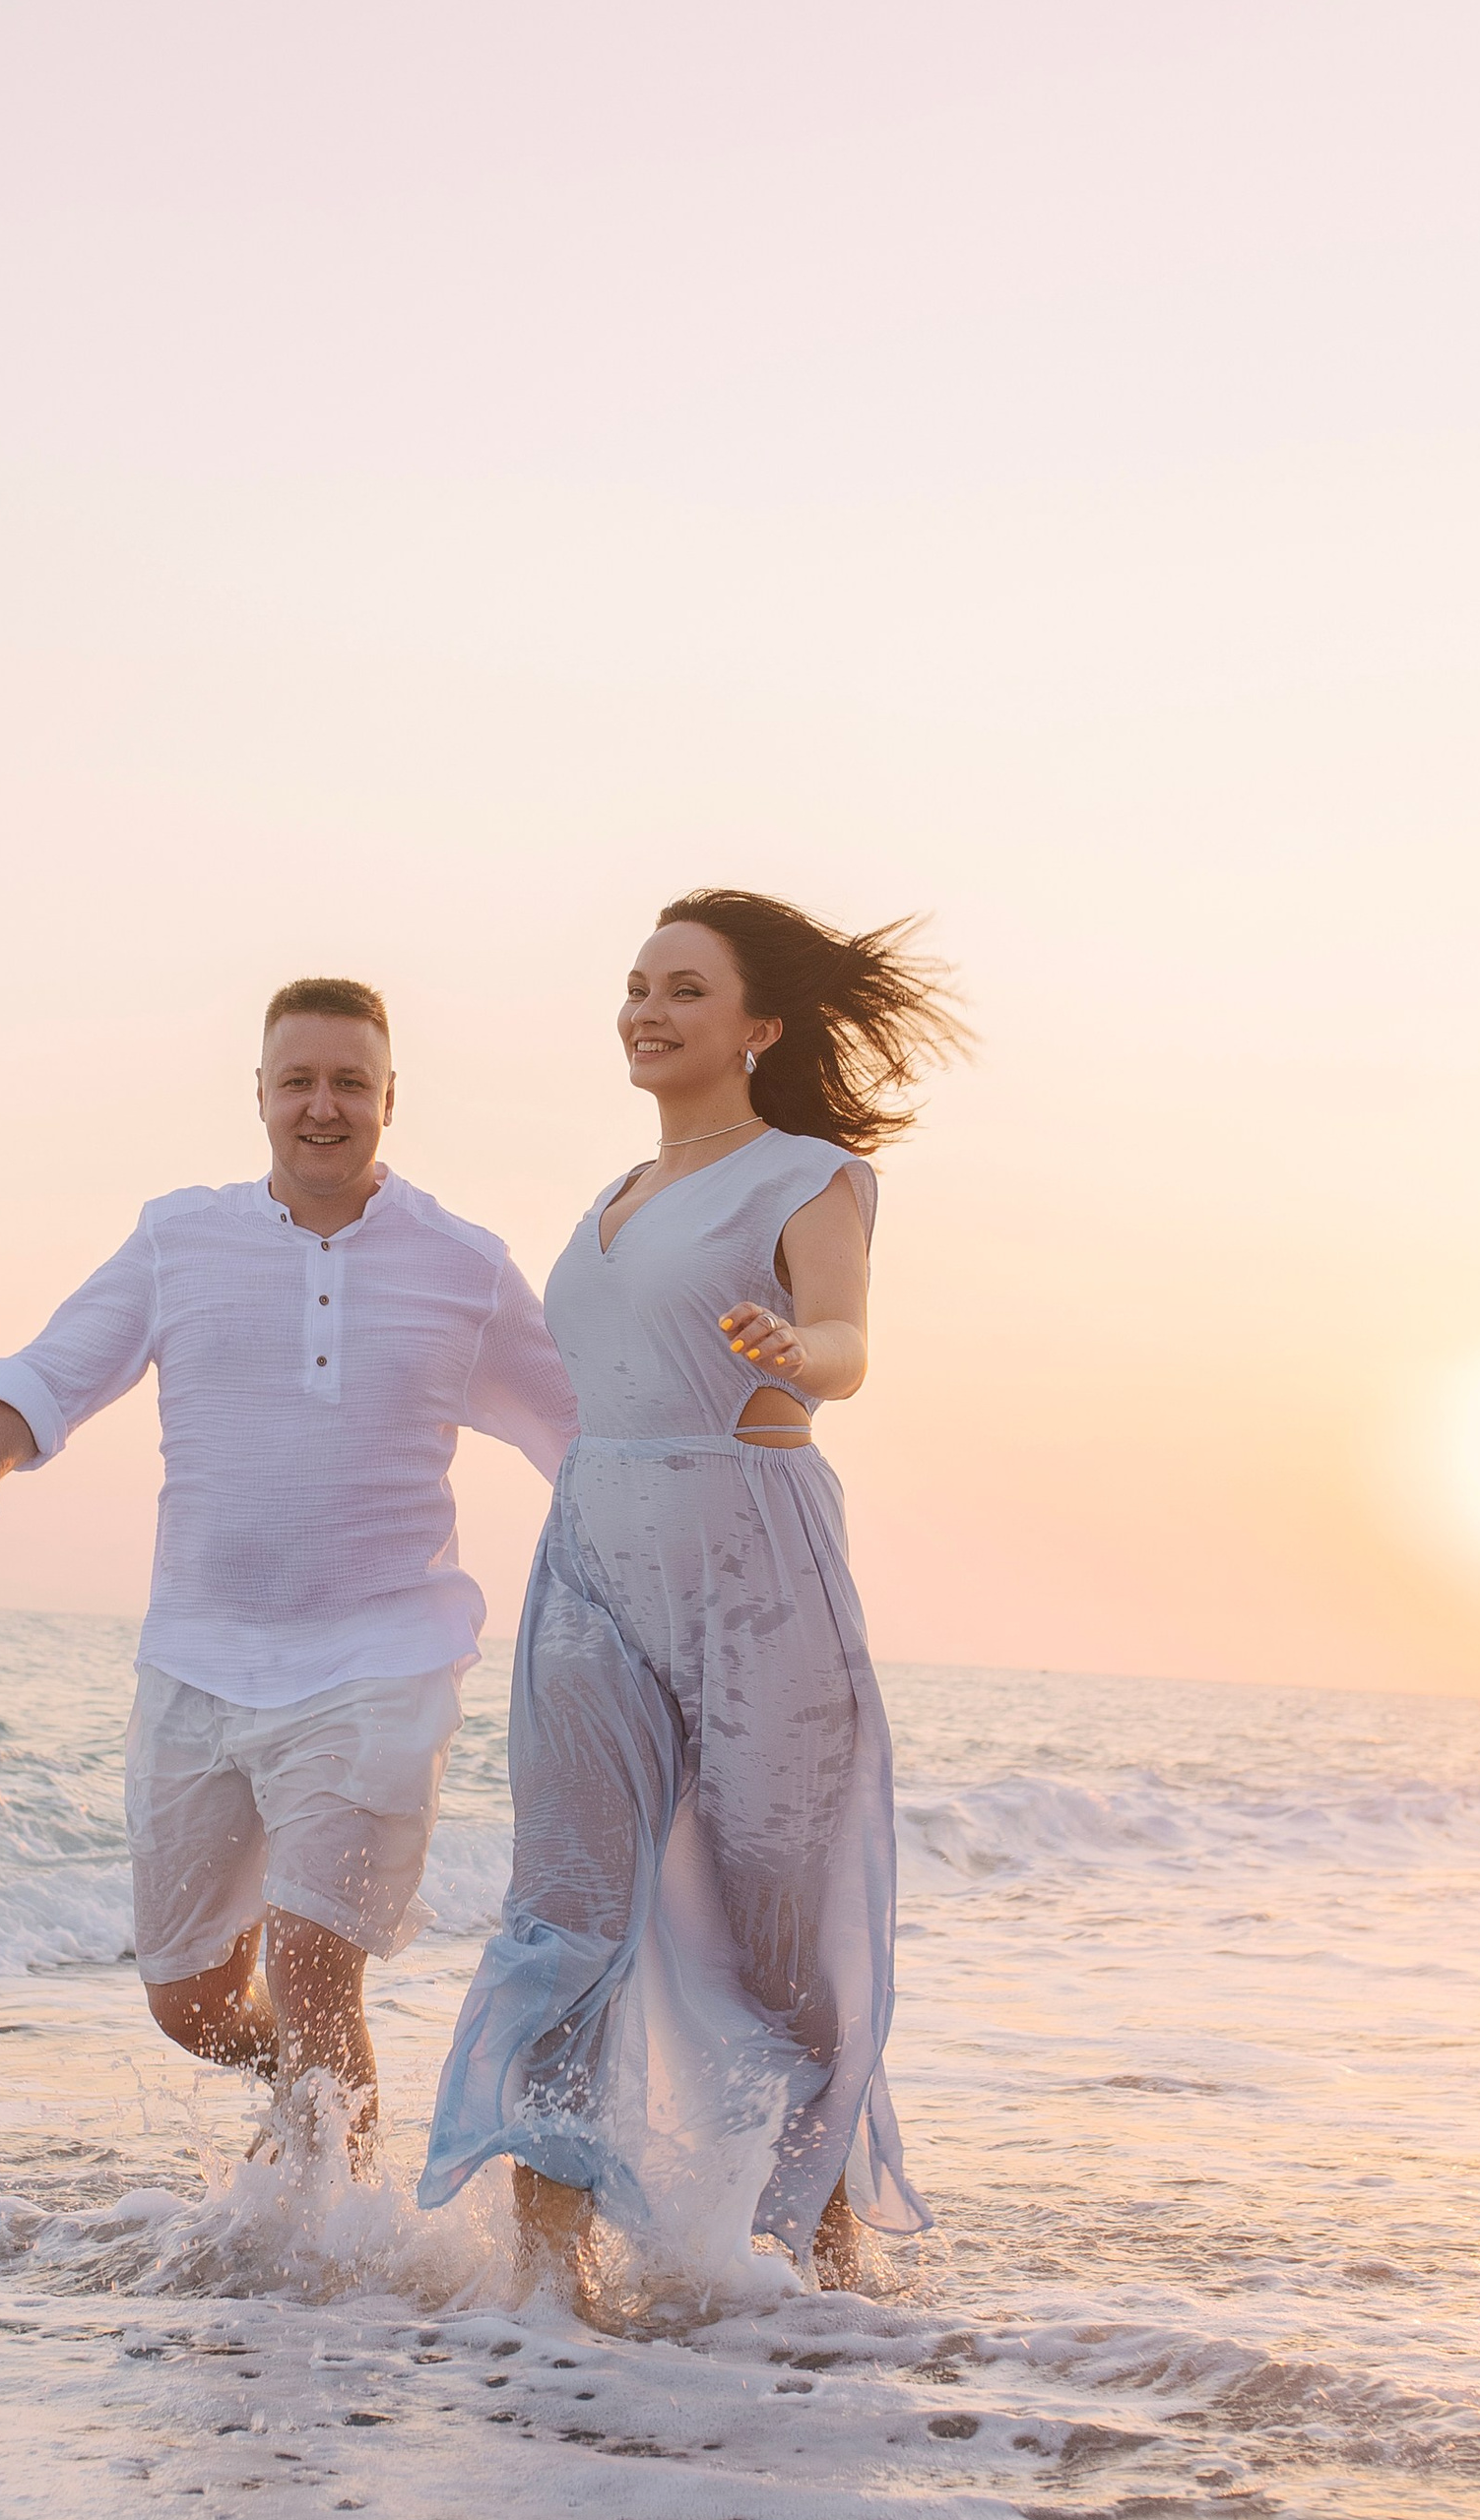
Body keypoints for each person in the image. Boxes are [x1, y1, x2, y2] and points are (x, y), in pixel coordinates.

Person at [0, 977, 577, 2155]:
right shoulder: (178, 1237)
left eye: (349, 1081)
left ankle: (334, 2263)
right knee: (190, 2002)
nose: (322, 1105)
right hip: (198, 1662)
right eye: (297, 1079)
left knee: (311, 1967)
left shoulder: (464, 1265)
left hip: (382, 1661)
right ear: (258, 1094)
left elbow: (579, 1426)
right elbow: (62, 1361)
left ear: (390, 1100)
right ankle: (307, 2104)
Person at [418, 888, 967, 2296]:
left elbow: (846, 1343)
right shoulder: (614, 1194)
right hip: (593, 1560)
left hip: (752, 1567)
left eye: (684, 990)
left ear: (758, 1026)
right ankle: (548, 2288)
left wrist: (797, 1346)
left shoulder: (805, 1174)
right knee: (564, 1910)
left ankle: (820, 2270)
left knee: (777, 1931)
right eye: (636, 986)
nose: (647, 1011)